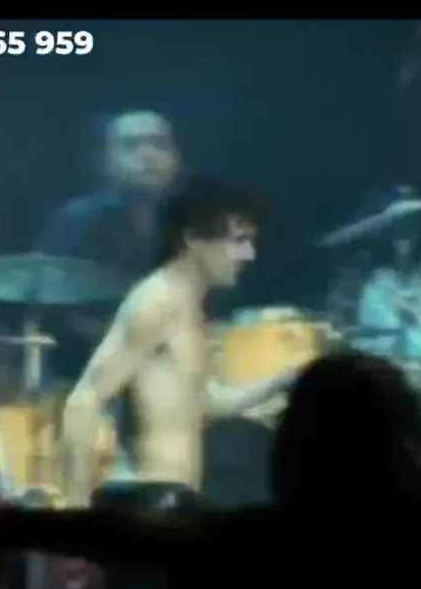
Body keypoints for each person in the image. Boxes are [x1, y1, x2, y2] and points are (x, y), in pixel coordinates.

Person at [61, 174, 299, 497]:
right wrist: (76, 504)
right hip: (148, 499)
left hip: (180, 500)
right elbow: (84, 401)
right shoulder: (156, 300)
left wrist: (278, 382)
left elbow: (203, 401)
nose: (249, 255)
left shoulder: (192, 305)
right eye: (238, 240)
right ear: (193, 239)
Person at [33, 110, 181, 381]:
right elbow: (54, 311)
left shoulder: (193, 222)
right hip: (88, 370)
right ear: (105, 162)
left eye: (159, 144)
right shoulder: (75, 221)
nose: (148, 154)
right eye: (131, 146)